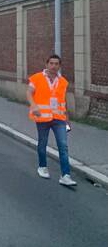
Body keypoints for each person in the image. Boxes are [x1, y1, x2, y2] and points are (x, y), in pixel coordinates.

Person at [26, 54, 76, 187]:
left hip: (59, 119)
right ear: (47, 64)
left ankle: (65, 175)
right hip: (42, 117)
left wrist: (67, 119)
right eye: (51, 63)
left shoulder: (63, 81)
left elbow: (63, 101)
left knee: (63, 146)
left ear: (59, 66)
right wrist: (33, 105)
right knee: (43, 143)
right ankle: (42, 167)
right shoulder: (36, 78)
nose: (54, 66)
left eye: (56, 64)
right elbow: (29, 93)